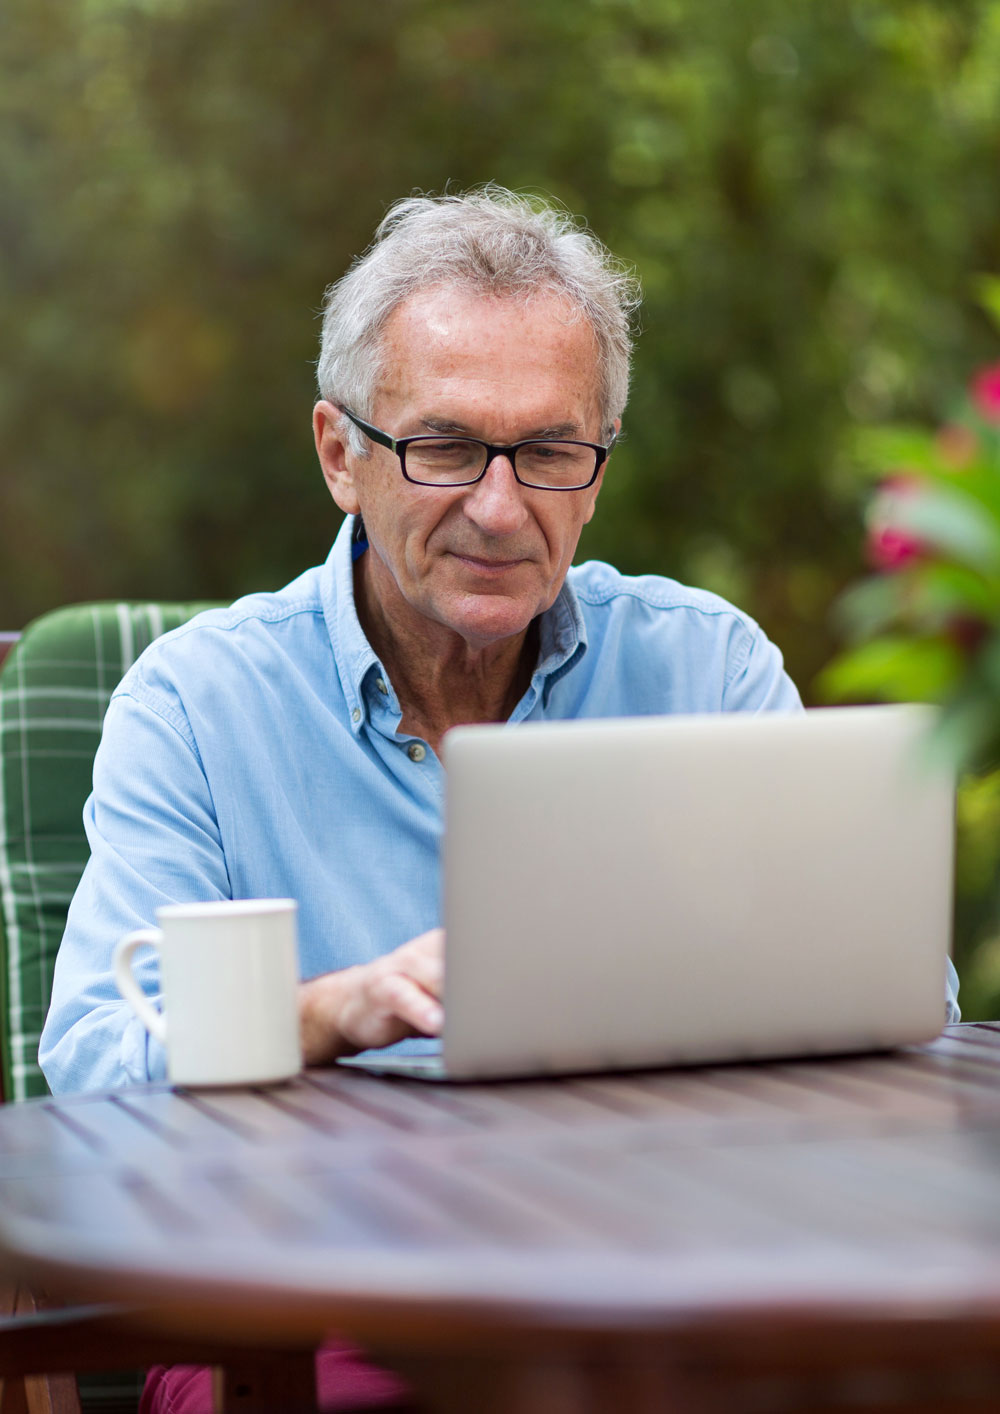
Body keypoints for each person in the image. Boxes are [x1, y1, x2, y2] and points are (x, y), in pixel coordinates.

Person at [35, 186, 957, 1409]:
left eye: (550, 452)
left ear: (599, 464)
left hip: (674, 1269)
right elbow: (96, 1070)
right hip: (312, 1296)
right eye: (446, 447)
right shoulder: (197, 702)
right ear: (340, 455)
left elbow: (905, 1005)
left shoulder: (705, 665)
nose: (499, 507)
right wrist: (328, 1011)